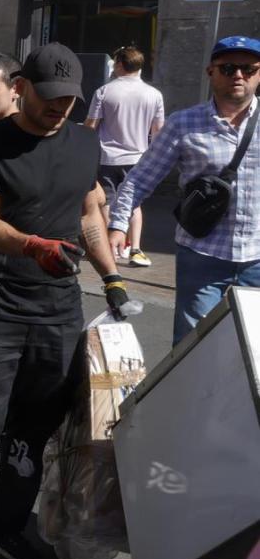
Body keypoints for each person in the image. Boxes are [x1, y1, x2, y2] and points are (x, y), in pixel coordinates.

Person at [0, 42, 131, 559]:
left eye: (69, 99)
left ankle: (8, 526)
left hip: (59, 309)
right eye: (49, 97)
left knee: (35, 427)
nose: (59, 108)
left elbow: (91, 213)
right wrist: (32, 246)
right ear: (21, 89)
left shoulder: (85, 144)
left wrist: (110, 276)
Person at [108, 36, 260, 343]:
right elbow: (140, 179)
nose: (239, 76)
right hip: (202, 254)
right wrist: (117, 224)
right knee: (194, 345)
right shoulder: (183, 124)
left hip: (258, 255)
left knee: (254, 349)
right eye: (229, 68)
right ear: (211, 72)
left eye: (249, 68)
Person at [86, 46, 165, 267]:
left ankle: (109, 248)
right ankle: (136, 249)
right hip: (139, 157)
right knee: (134, 203)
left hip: (107, 156)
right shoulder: (154, 94)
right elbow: (158, 131)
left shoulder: (104, 91)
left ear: (120, 63)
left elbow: (91, 126)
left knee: (107, 202)